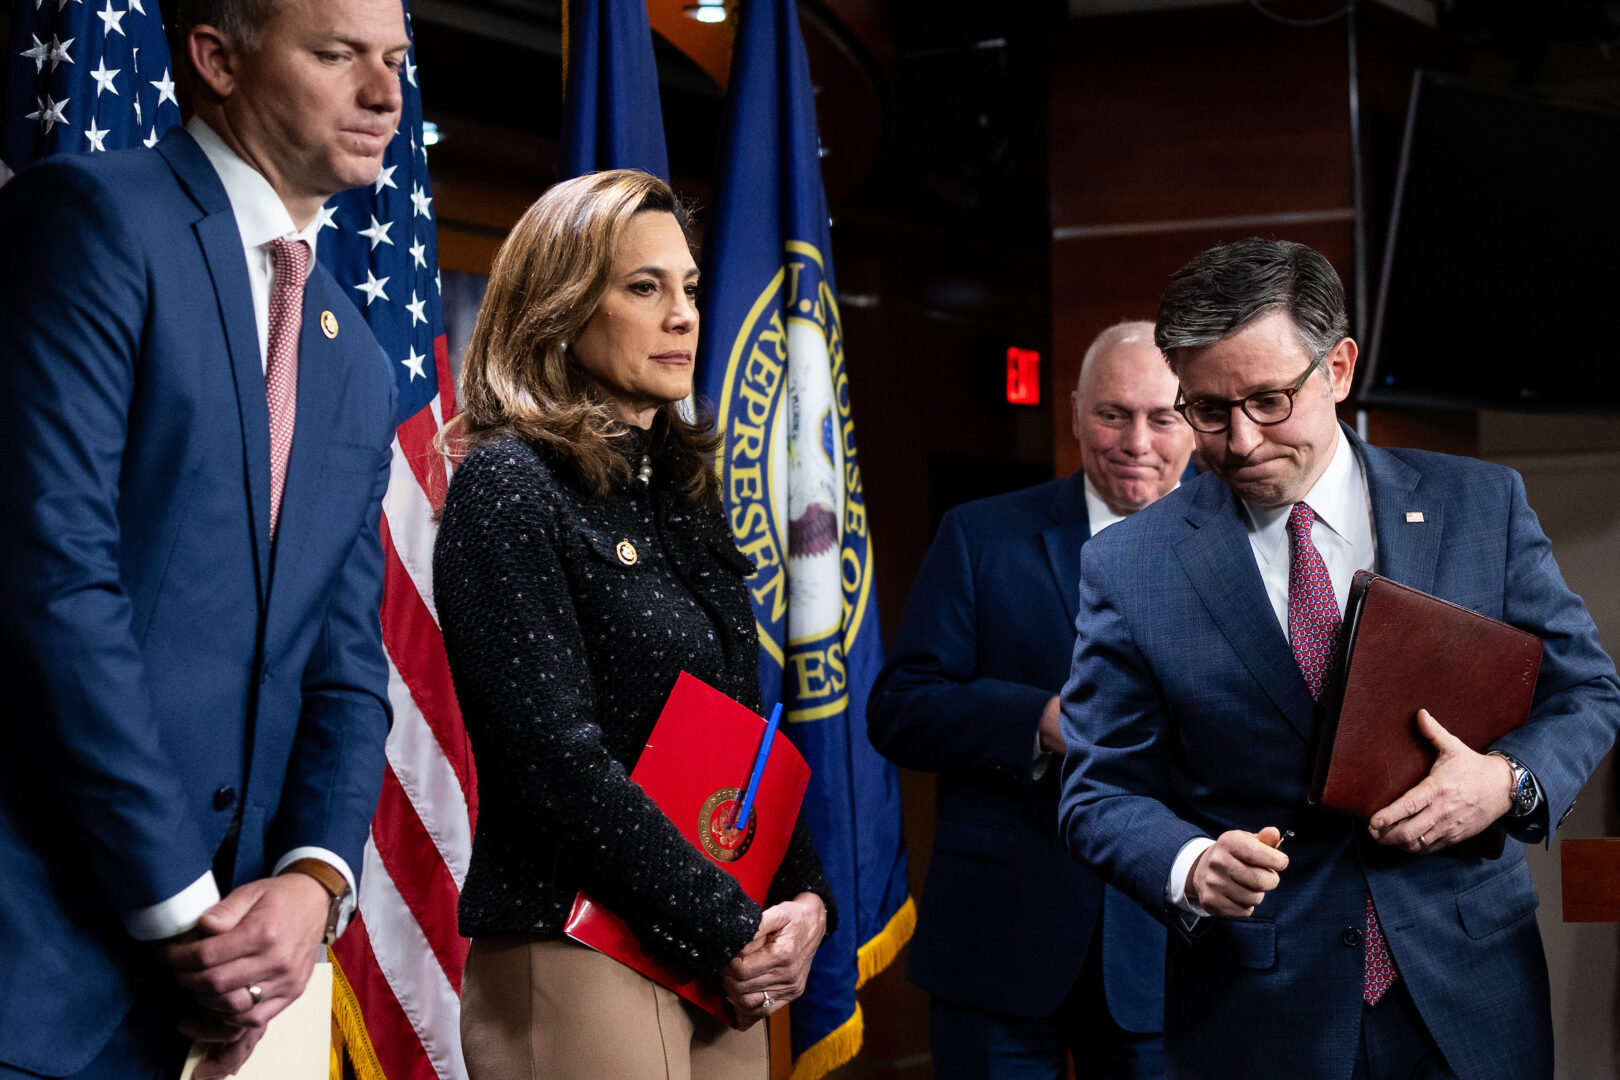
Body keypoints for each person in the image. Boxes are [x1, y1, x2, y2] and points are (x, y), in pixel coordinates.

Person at [1057, 238, 1620, 1080]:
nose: (1241, 440)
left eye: (1270, 400)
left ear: (1339, 368)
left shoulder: (1480, 505)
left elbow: (1585, 690)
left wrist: (1505, 781)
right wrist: (1190, 863)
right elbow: (1099, 790)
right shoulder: (1130, 567)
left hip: (1471, 995)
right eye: (1208, 410)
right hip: (1258, 1012)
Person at [0, 1, 408, 1078]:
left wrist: (316, 882)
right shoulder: (92, 220)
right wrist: (187, 911)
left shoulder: (357, 360)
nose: (385, 94)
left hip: (229, 1010)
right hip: (40, 970)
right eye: (338, 55)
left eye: (395, 61)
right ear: (217, 58)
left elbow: (345, 662)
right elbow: (55, 587)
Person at [433, 169, 837, 1080]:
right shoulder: (508, 489)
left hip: (710, 950)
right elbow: (553, 763)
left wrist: (803, 895)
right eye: (643, 287)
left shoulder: (686, 491)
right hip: (578, 942)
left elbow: (740, 730)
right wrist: (731, 921)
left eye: (689, 288)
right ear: (560, 307)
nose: (684, 314)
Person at [868, 321, 1194, 1079]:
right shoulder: (981, 537)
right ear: (1076, 411)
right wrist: (1040, 722)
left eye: (1163, 416)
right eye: (1113, 413)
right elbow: (901, 707)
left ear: (1195, 419)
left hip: (1169, 954)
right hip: (998, 945)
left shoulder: (1247, 547)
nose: (1136, 440)